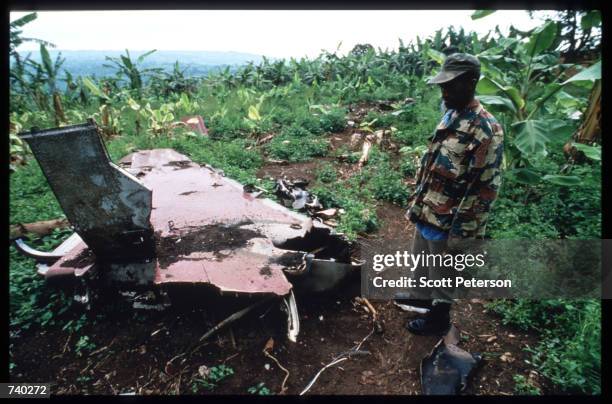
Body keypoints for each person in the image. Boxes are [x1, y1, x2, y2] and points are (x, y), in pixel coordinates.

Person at [400, 53, 504, 336]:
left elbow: (485, 189)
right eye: (442, 85)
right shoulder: (452, 113)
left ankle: (439, 317)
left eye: (451, 85)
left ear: (472, 82)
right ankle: (419, 296)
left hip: (450, 217)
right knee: (421, 253)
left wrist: (463, 232)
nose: (444, 91)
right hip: (429, 206)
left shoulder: (485, 129)